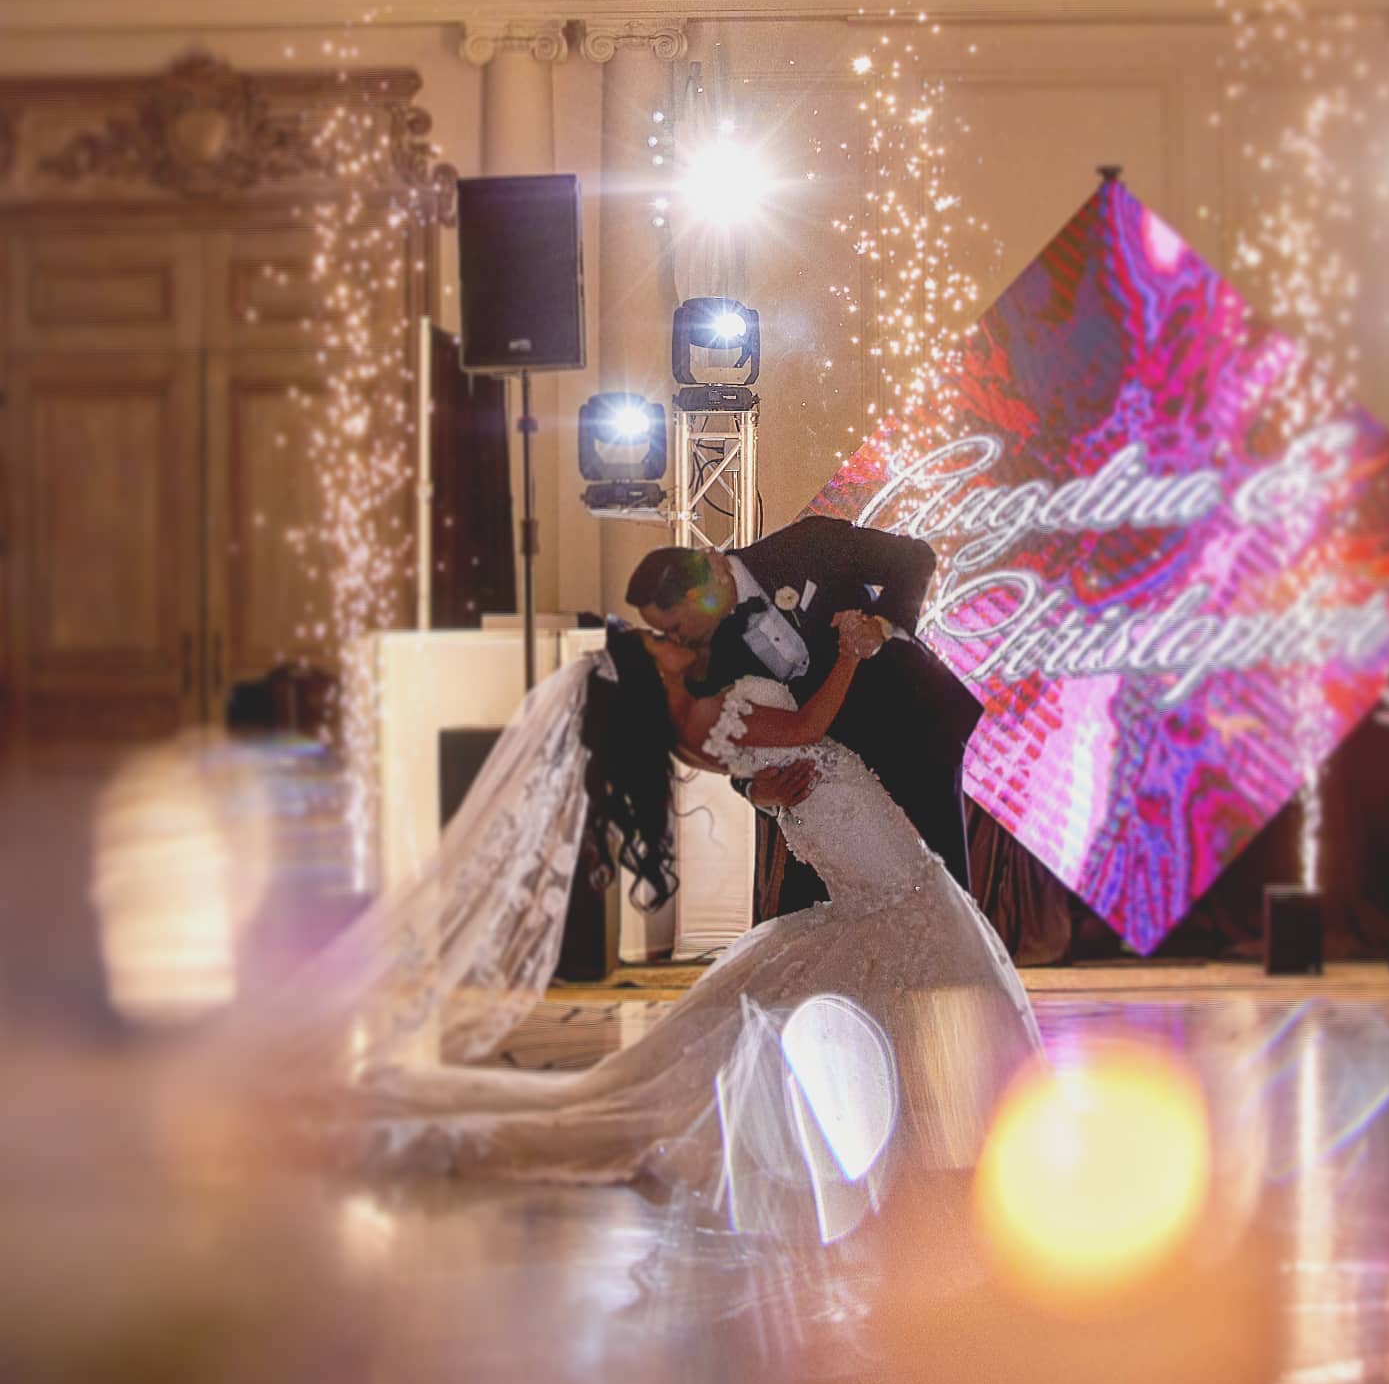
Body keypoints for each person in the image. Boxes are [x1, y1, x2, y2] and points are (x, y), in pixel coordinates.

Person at [279, 615, 1041, 1216]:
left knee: (895, 914)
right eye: (655, 645)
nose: (669, 643)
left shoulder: (696, 722)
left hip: (832, 811)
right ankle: (926, 1118)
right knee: (906, 911)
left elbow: (759, 776)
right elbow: (799, 734)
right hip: (842, 811)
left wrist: (776, 791)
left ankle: (911, 1110)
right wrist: (848, 656)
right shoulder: (706, 718)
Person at [626, 516, 983, 915]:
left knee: (944, 876)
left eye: (675, 625)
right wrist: (758, 792)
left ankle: (963, 969)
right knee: (826, 915)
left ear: (708, 574)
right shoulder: (705, 660)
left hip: (910, 724)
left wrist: (880, 626)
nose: (677, 639)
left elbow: (914, 557)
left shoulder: (807, 542)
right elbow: (733, 744)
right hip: (830, 781)